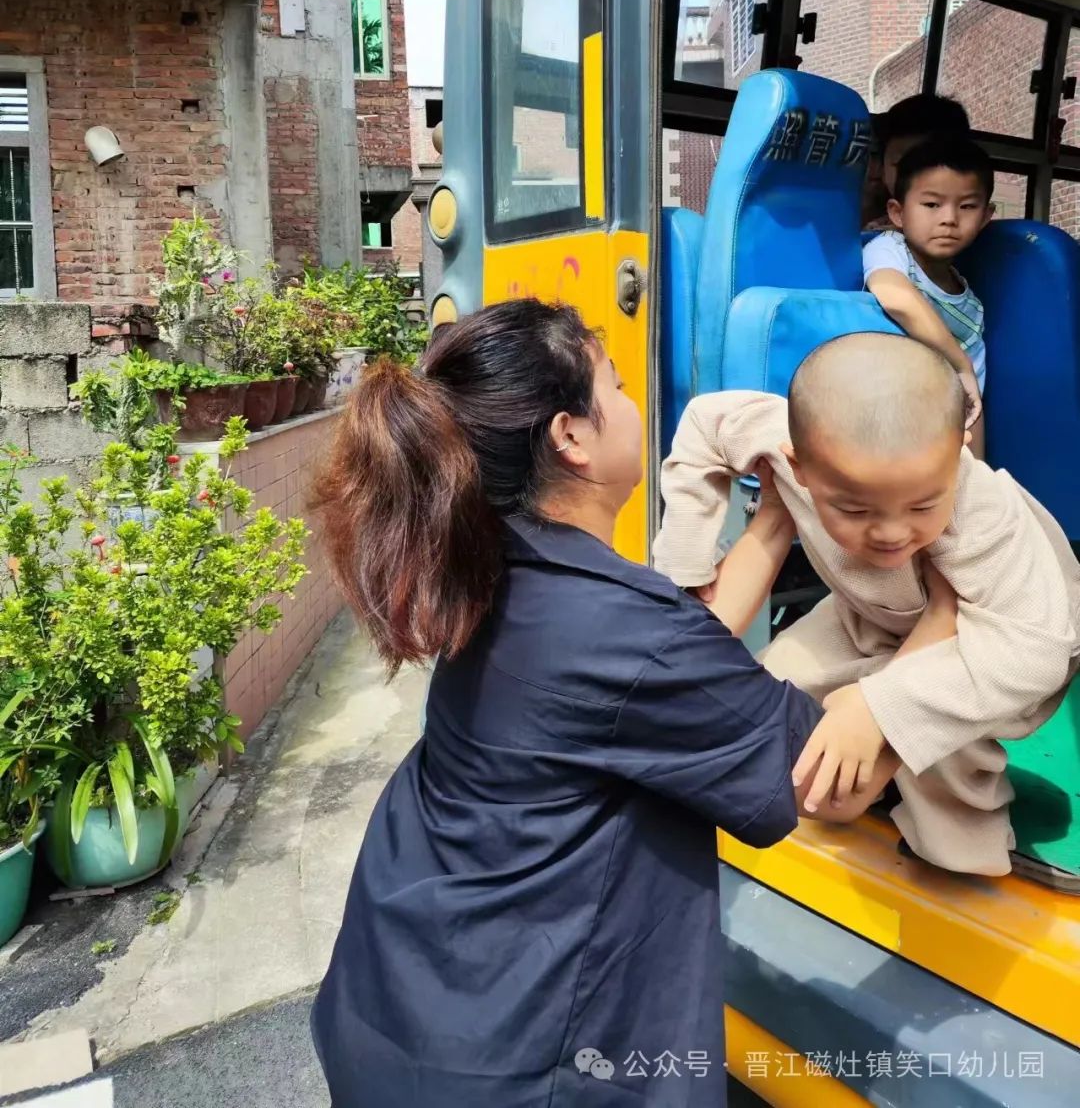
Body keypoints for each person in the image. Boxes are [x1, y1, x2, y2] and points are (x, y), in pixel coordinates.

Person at [309, 299, 831, 1108]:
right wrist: (945, 626)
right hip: (520, 1066)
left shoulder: (497, 567)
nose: (631, 404)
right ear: (571, 436)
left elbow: (663, 667)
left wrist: (772, 519)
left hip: (401, 1009)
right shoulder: (619, 628)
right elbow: (812, 766)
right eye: (616, 387)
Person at [653, 334, 1080, 882]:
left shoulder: (984, 516)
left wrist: (883, 706)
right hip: (867, 612)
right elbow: (705, 423)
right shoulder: (783, 439)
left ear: (958, 456)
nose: (891, 532)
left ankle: (959, 857)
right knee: (771, 708)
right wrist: (685, 566)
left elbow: (1033, 654)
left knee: (938, 758)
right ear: (798, 467)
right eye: (854, 507)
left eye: (925, 504)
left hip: (988, 638)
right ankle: (868, 762)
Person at [863, 135, 994, 455]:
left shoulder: (971, 308)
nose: (949, 218)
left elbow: (971, 398)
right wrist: (959, 364)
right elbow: (893, 296)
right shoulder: (891, 250)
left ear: (986, 217)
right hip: (882, 419)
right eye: (932, 204)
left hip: (939, 433)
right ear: (897, 212)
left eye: (967, 206)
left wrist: (974, 472)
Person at [862, 93, 972, 230]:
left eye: (925, 165)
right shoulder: (874, 228)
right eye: (900, 164)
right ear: (884, 170)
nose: (913, 177)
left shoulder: (964, 228)